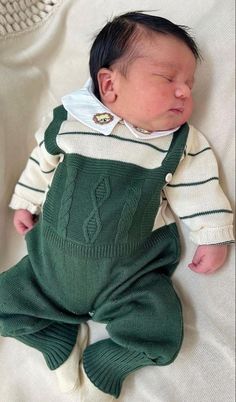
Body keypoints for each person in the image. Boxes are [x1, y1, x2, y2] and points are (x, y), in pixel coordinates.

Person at [0, 11, 234, 401]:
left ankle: (106, 361)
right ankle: (55, 335)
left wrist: (213, 237)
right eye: (168, 79)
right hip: (49, 268)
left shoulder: (177, 142)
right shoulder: (70, 121)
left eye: (190, 84)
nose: (184, 92)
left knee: (160, 332)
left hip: (128, 279)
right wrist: (25, 201)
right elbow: (41, 163)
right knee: (5, 304)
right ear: (109, 84)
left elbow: (201, 190)